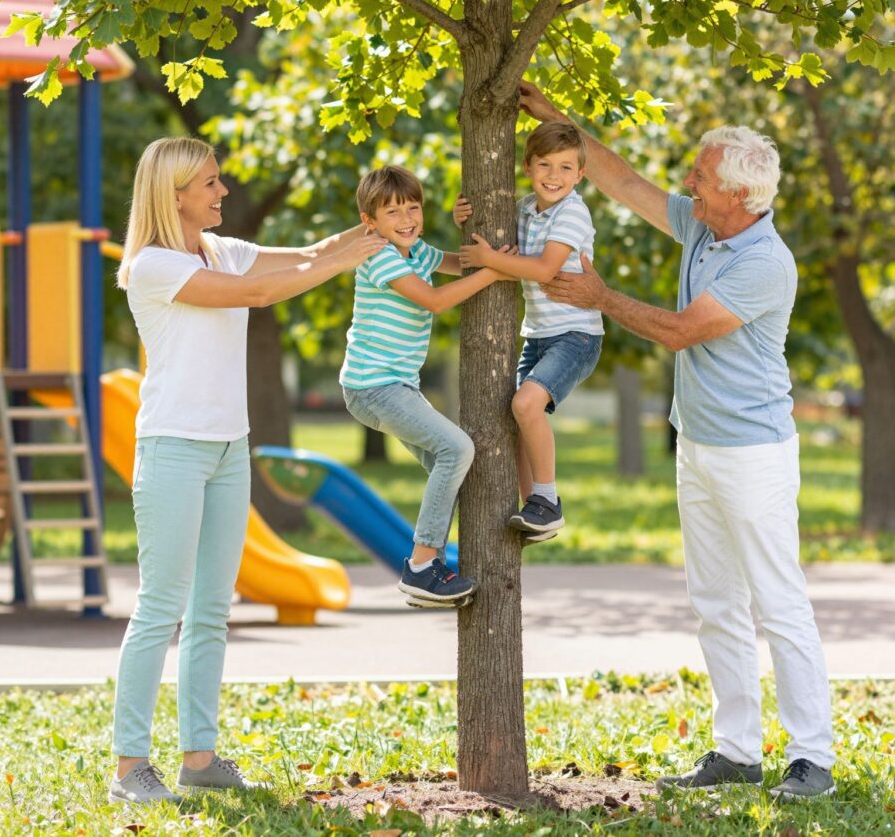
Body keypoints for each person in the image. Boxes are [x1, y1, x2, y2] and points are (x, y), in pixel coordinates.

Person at [520, 83, 836, 801]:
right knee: (715, 601)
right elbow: (624, 180)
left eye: (699, 176)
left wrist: (601, 298)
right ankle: (736, 752)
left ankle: (811, 757)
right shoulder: (704, 223)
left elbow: (682, 331)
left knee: (777, 601)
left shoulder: (763, 261)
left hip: (754, 453)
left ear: (738, 195)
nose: (687, 182)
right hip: (697, 444)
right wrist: (558, 121)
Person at [109, 137, 386, 805]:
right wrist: (360, 251)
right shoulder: (152, 266)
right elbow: (263, 290)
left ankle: (198, 758)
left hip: (231, 448)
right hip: (174, 448)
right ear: (174, 194)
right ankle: (128, 769)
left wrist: (379, 227)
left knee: (212, 608)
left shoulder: (221, 250)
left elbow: (308, 257)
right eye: (209, 183)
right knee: (161, 606)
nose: (222, 192)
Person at [341, 165, 513, 607]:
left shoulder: (417, 250)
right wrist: (494, 273)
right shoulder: (378, 256)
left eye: (413, 207)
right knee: (457, 449)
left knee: (450, 467)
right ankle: (420, 566)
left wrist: (469, 233)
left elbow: (460, 264)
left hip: (396, 386)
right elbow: (435, 300)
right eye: (392, 211)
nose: (406, 218)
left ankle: (431, 569)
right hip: (372, 386)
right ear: (370, 222)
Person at [454, 122, 604, 541]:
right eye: (544, 165)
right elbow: (501, 250)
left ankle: (547, 500)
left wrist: (490, 260)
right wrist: (464, 219)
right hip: (538, 334)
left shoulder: (573, 212)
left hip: (576, 334)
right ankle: (535, 509)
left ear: (579, 175)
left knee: (525, 405)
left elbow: (542, 269)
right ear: (527, 166)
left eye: (565, 167)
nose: (553, 176)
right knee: (519, 416)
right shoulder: (522, 210)